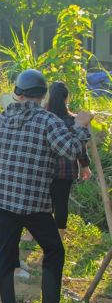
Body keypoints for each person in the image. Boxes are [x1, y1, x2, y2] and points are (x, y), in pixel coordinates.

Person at [0, 69, 92, 303]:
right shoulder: (48, 121)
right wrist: (80, 125)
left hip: (2, 202)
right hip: (35, 205)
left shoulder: (0, 121)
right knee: (54, 251)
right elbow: (72, 149)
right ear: (43, 95)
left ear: (17, 94)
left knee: (5, 257)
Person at [46, 81, 91, 238]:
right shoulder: (73, 120)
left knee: (46, 202)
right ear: (66, 98)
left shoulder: (45, 119)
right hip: (67, 169)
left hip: (46, 168)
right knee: (61, 202)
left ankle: (41, 233)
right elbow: (80, 146)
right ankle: (60, 234)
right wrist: (85, 165)